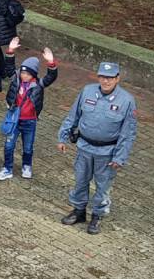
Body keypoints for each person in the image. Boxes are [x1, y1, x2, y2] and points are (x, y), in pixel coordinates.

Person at [57, 62, 138, 235]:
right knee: (80, 180)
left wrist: (119, 157)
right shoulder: (87, 91)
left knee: (103, 186)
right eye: (102, 77)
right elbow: (74, 115)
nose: (106, 81)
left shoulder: (127, 101)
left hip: (107, 153)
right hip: (84, 147)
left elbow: (128, 132)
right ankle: (78, 212)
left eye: (110, 78)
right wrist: (62, 137)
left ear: (117, 79)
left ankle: (97, 216)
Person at [0, 39, 59, 181]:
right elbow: (9, 67)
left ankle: (27, 165)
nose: (24, 76)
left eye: (28, 74)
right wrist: (10, 51)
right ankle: (7, 168)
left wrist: (51, 62)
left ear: (33, 75)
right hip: (14, 120)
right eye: (23, 73)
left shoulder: (38, 84)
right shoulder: (16, 80)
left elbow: (51, 77)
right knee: (9, 146)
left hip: (30, 122)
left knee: (28, 147)